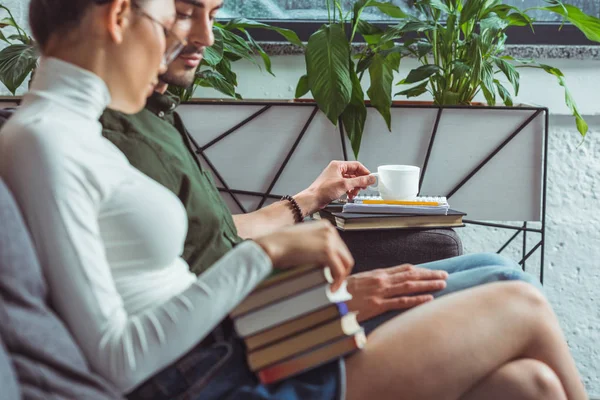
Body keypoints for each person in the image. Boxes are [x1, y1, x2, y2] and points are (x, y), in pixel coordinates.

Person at [0, 0, 588, 399]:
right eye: (169, 20)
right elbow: (117, 359)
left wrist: (297, 292)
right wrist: (270, 257)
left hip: (243, 345)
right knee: (522, 303)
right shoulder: (44, 139)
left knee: (528, 384)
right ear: (120, 16)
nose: (180, 39)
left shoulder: (79, 131)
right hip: (221, 377)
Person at [99, 0, 541, 330]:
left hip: (263, 294)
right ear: (121, 15)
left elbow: (216, 231)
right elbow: (180, 284)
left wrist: (310, 198)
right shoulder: (107, 140)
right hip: (254, 314)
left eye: (213, 15)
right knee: (507, 283)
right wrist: (334, 297)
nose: (205, 36)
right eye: (182, 12)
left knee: (500, 273)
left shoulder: (156, 117)